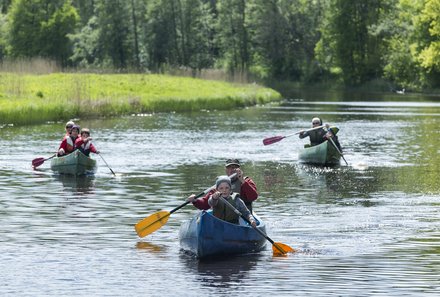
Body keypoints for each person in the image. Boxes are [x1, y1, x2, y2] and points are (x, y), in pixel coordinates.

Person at [188, 158, 258, 211]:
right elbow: (206, 204)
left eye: (234, 167)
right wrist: (195, 201)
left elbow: (253, 197)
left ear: (239, 169)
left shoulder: (246, 181)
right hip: (223, 218)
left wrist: (242, 180)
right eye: (229, 167)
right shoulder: (220, 183)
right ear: (226, 169)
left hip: (243, 217)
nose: (232, 170)